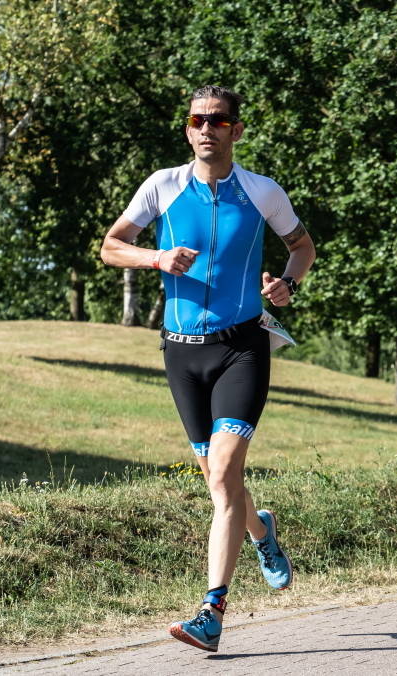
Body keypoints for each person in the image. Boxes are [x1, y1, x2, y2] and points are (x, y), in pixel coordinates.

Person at [99, 84, 316, 652]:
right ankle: (261, 529)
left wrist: (286, 284)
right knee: (221, 480)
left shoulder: (263, 191)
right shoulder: (162, 187)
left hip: (243, 346)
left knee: (222, 477)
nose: (206, 129)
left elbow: (302, 247)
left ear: (236, 130)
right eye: (197, 120)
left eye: (218, 120)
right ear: (187, 129)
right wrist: (156, 257)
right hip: (181, 353)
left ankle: (212, 612)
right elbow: (110, 246)